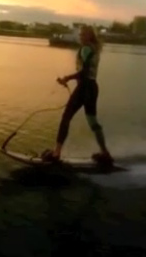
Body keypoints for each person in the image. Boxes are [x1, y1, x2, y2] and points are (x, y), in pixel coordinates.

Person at [41, 25, 113, 167]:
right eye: (80, 35)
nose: (81, 37)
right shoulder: (95, 49)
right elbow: (88, 72)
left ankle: (56, 153)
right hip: (92, 87)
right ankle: (105, 153)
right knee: (93, 122)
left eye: (83, 35)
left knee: (66, 117)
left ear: (90, 36)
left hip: (84, 88)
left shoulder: (86, 49)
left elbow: (84, 72)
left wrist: (67, 78)